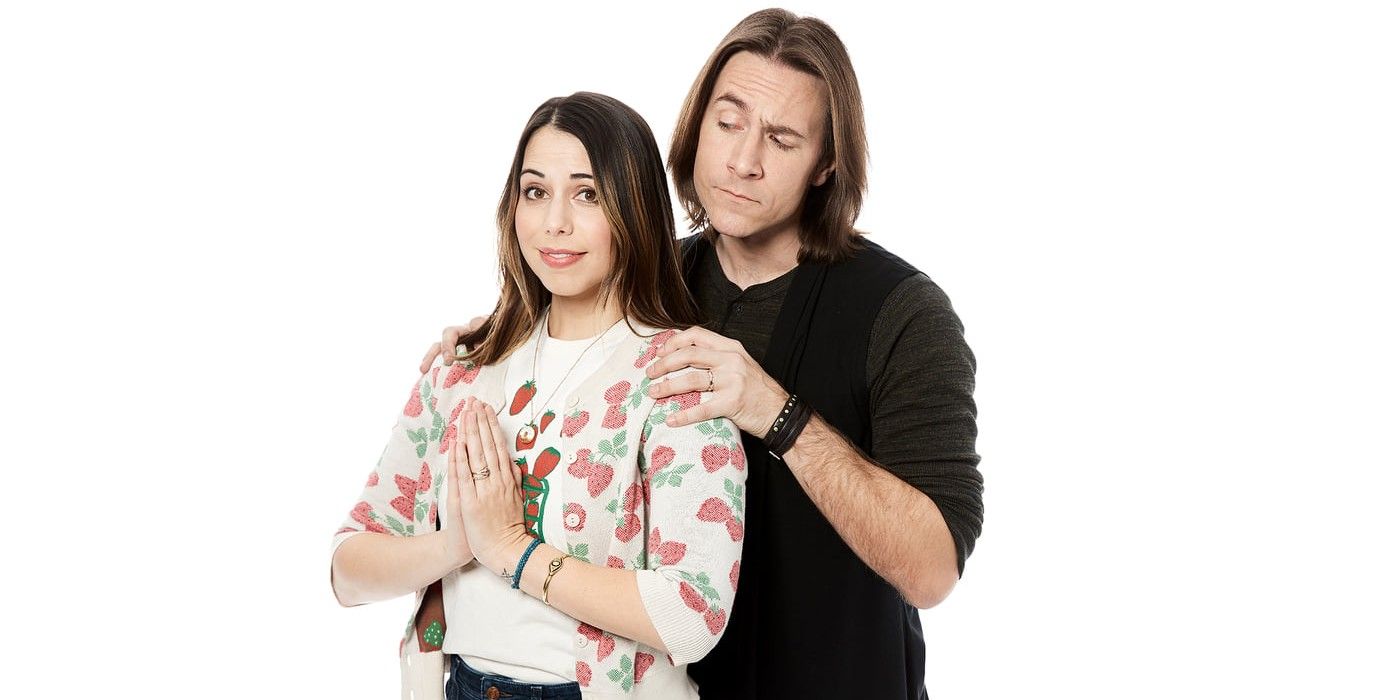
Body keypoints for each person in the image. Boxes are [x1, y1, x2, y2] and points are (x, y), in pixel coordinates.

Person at [421, 9, 984, 699]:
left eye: (781, 138)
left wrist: (780, 415)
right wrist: (501, 337)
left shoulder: (904, 314)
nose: (743, 160)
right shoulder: (646, 283)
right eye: (727, 121)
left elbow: (931, 572)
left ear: (826, 164)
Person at [332, 92, 747, 700]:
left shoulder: (674, 376)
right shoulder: (464, 368)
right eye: (535, 191)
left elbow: (693, 612)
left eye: (587, 194)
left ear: (632, 209)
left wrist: (513, 551)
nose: (555, 222)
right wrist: (462, 543)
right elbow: (348, 571)